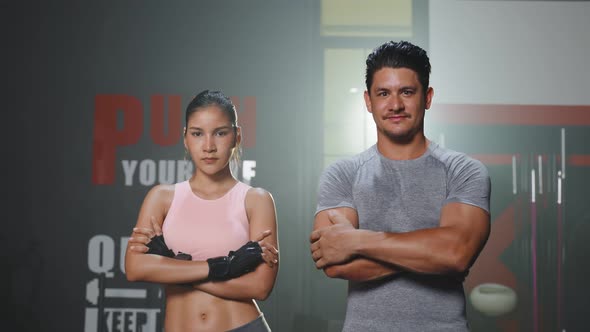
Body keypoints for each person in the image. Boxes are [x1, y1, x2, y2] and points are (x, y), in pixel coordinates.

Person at [309, 40, 491, 331]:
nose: (395, 105)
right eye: (384, 93)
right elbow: (335, 262)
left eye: (407, 92)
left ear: (427, 97)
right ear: (368, 101)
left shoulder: (463, 171)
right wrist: (431, 251)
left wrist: (356, 240)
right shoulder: (342, 174)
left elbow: (456, 254)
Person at [125, 90, 279, 332]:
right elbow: (135, 268)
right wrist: (225, 267)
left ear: (237, 136)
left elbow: (260, 287)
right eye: (197, 134)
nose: (208, 146)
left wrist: (173, 267)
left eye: (220, 133)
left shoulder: (256, 200)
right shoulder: (162, 197)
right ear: (185, 138)